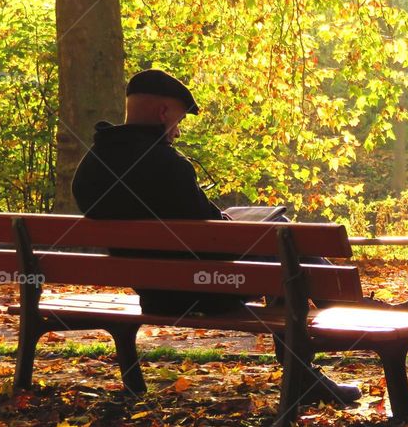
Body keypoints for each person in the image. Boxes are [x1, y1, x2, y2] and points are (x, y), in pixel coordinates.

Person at [72, 68, 364, 405]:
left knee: (282, 248)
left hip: (155, 293)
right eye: (178, 121)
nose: (177, 133)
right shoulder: (169, 165)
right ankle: (332, 335)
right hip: (204, 289)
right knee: (288, 249)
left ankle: (341, 314)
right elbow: (215, 232)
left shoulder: (91, 166)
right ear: (163, 112)